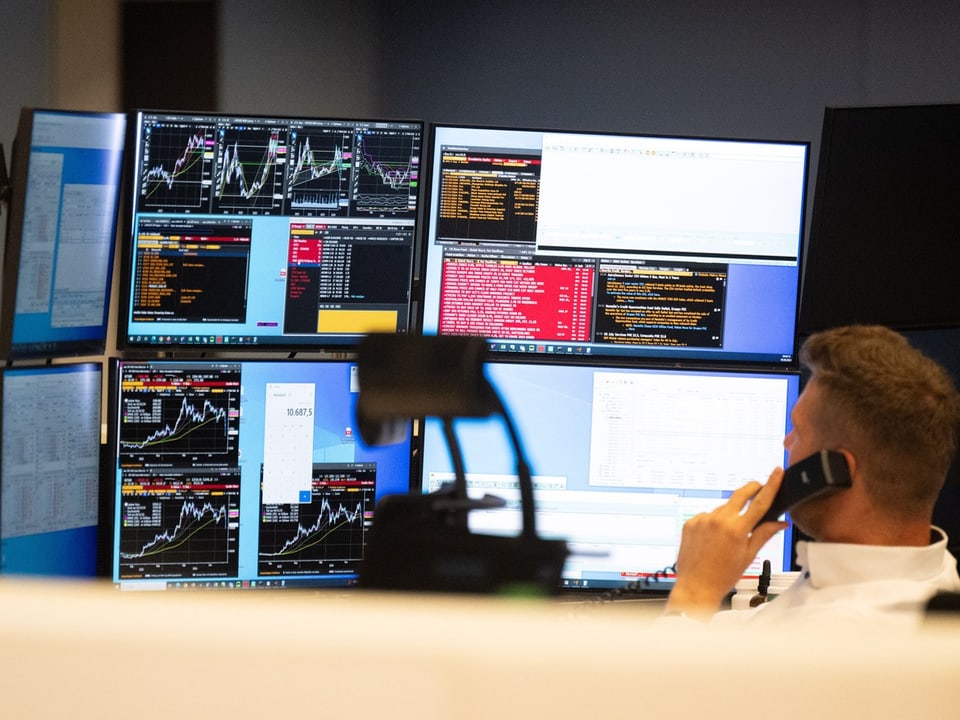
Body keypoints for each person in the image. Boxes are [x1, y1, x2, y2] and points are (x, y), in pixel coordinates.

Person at [663, 325, 960, 628]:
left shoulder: (844, 630)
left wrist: (693, 590)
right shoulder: (924, 570)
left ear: (832, 470)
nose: (787, 442)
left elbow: (665, 674)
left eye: (799, 431)